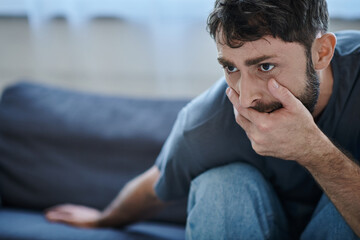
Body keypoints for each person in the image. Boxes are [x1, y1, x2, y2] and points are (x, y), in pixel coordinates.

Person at [45, 0, 360, 239]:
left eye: (265, 67)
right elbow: (158, 183)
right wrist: (102, 220)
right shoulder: (210, 120)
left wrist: (314, 150)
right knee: (220, 186)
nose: (246, 96)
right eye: (231, 68)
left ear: (321, 52)